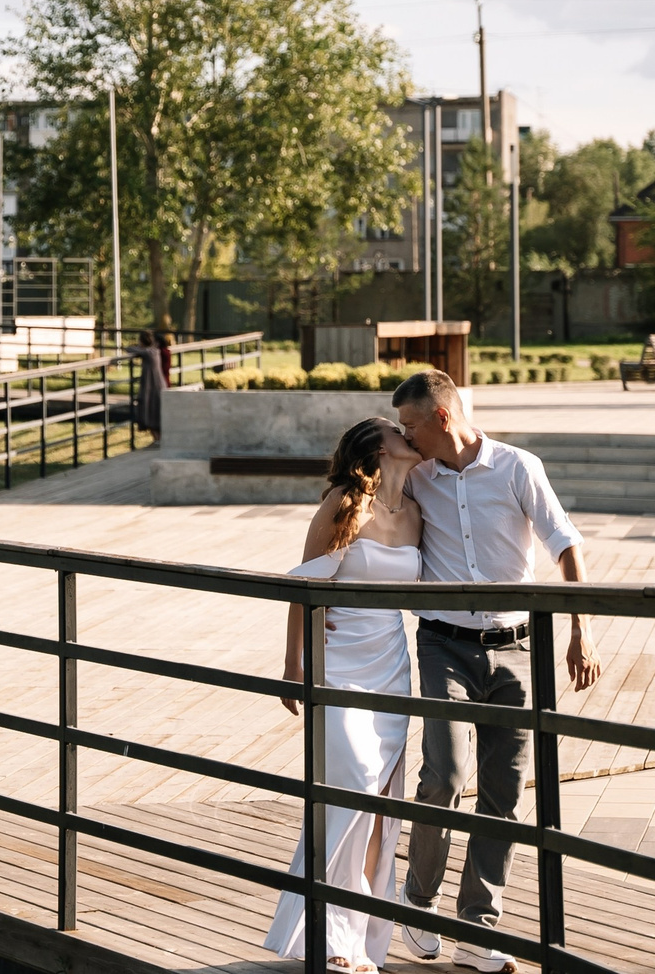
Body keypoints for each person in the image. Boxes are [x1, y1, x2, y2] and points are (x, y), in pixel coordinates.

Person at [391, 370, 599, 971]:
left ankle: (479, 930)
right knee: (446, 777)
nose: (405, 439)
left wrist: (582, 629)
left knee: (504, 793)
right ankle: (418, 903)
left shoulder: (517, 467)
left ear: (442, 419)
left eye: (411, 426)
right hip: (444, 646)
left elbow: (565, 543)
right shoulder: (416, 478)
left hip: (517, 650)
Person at [263, 417, 425, 974]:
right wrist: (292, 664)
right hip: (339, 663)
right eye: (400, 431)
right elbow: (303, 583)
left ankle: (358, 941)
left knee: (380, 810)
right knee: (352, 784)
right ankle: (329, 934)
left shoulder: (416, 511)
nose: (411, 435)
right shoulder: (344, 501)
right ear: (380, 447)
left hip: (391, 665)